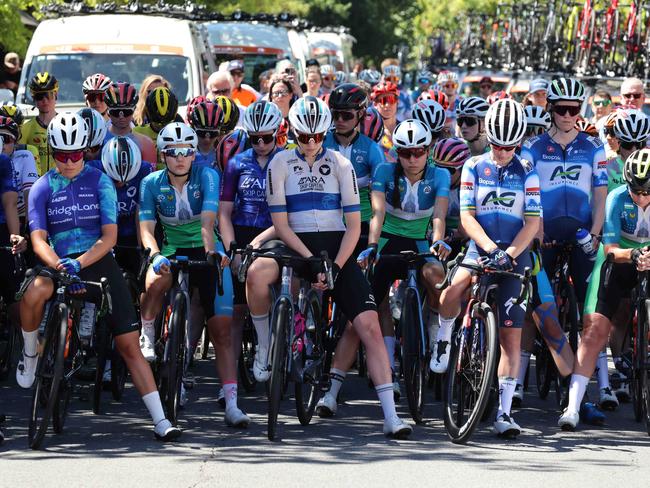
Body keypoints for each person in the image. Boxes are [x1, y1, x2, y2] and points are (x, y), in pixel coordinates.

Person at [247, 96, 412, 437]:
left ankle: (391, 416)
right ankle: (265, 347)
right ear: (291, 133)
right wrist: (309, 259)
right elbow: (280, 222)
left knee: (368, 324)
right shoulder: (279, 164)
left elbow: (354, 225)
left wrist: (334, 266)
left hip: (337, 245)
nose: (311, 143)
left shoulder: (340, 163)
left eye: (318, 136)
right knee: (257, 272)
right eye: (303, 137)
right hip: (295, 240)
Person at [20, 112, 180, 441]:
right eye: (62, 156)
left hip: (96, 261)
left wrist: (79, 264)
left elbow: (108, 236)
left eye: (76, 154)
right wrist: (61, 265)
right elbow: (37, 239)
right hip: (57, 260)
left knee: (128, 344)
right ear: (51, 151)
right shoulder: (41, 187)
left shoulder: (99, 181)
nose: (69, 162)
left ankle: (160, 419)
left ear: (85, 151)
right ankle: (29, 354)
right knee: (32, 292)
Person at [435, 99, 540, 438]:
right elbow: (466, 216)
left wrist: (508, 253)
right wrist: (490, 248)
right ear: (487, 136)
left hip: (514, 252)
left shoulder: (528, 170)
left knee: (510, 337)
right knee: (451, 291)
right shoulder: (474, 166)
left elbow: (532, 222)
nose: (502, 152)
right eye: (497, 144)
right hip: (481, 245)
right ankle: (445, 338)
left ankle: (505, 413)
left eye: (510, 146)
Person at [138, 122, 247, 427]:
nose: (180, 158)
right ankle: (147, 333)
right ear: (163, 155)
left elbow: (208, 220)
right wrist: (156, 254)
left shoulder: (207, 176)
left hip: (206, 248)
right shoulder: (150, 183)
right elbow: (146, 230)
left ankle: (232, 402)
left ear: (193, 153)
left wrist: (213, 251)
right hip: (171, 250)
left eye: (187, 151)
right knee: (155, 279)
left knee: (222, 330)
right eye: (173, 153)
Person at [559, 148, 650, 430]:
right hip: (619, 259)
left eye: (648, 191)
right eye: (637, 190)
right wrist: (635, 255)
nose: (642, 197)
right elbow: (609, 249)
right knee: (595, 330)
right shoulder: (616, 198)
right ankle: (572, 407)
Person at [520, 78, 607, 311]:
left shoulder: (595, 146)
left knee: (589, 298)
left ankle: (587, 344)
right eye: (561, 109)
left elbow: (600, 194)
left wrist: (595, 234)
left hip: (583, 230)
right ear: (550, 107)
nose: (568, 115)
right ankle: (531, 346)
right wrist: (536, 231)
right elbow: (529, 196)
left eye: (574, 109)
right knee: (535, 299)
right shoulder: (532, 146)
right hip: (545, 230)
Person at [218, 100, 284, 383]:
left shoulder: (287, 161)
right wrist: (232, 247)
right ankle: (228, 384)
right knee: (234, 314)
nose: (260, 144)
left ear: (277, 133)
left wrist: (259, 241)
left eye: (266, 138)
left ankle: (274, 343)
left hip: (276, 234)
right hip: (241, 234)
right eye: (254, 138)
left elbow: (291, 214)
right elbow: (224, 212)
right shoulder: (236, 164)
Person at [104, 82, 157, 166]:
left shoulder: (146, 143)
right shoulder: (98, 142)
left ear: (134, 110)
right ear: (108, 112)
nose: (121, 117)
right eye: (116, 112)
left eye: (126, 111)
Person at [19, 72, 59, 175]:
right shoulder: (26, 128)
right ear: (33, 98)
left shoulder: (67, 124)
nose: (45, 100)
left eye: (49, 95)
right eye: (39, 96)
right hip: (36, 184)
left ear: (56, 95)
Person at [0, 116, 38, 223]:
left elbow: (29, 193)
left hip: (20, 214)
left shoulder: (24, 156)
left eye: (6, 139)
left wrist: (30, 225)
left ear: (16, 143)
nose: (1, 144)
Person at [188, 100, 222, 169]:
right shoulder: (185, 154)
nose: (207, 139)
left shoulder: (224, 154)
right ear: (193, 128)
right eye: (202, 133)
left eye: (213, 134)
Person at [371, 81, 400, 161]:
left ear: (398, 102)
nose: (387, 105)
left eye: (391, 100)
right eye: (383, 100)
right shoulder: (370, 132)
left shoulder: (405, 129)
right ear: (375, 104)